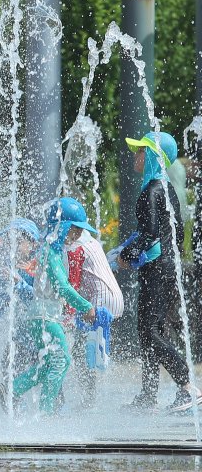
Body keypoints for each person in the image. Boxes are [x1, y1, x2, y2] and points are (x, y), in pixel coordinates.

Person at [118, 132, 201, 413]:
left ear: (153, 156)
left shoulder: (152, 190)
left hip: (157, 270)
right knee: (148, 331)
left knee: (150, 330)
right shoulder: (166, 190)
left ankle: (188, 386)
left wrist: (129, 256)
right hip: (164, 269)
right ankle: (148, 395)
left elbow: (151, 233)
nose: (135, 155)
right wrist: (131, 247)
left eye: (140, 150)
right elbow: (170, 235)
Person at [0, 197, 97, 415]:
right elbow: (62, 287)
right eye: (75, 229)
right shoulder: (50, 253)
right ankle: (46, 413)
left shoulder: (51, 251)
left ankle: (12, 389)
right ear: (62, 227)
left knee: (50, 363)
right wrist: (85, 306)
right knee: (61, 361)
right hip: (44, 318)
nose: (79, 234)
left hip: (42, 317)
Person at [62, 220, 123, 408]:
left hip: (100, 300)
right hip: (115, 298)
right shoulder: (93, 243)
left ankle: (88, 398)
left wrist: (67, 312)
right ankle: (90, 395)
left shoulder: (75, 248)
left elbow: (72, 283)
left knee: (79, 348)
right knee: (89, 345)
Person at [0, 218, 40, 392]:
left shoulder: (40, 267)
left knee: (45, 373)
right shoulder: (11, 268)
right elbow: (3, 300)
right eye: (10, 240)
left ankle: (55, 411)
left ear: (32, 244)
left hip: (41, 334)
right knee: (7, 369)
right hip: (21, 335)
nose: (12, 245)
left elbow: (40, 299)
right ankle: (17, 414)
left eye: (18, 241)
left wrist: (19, 284)